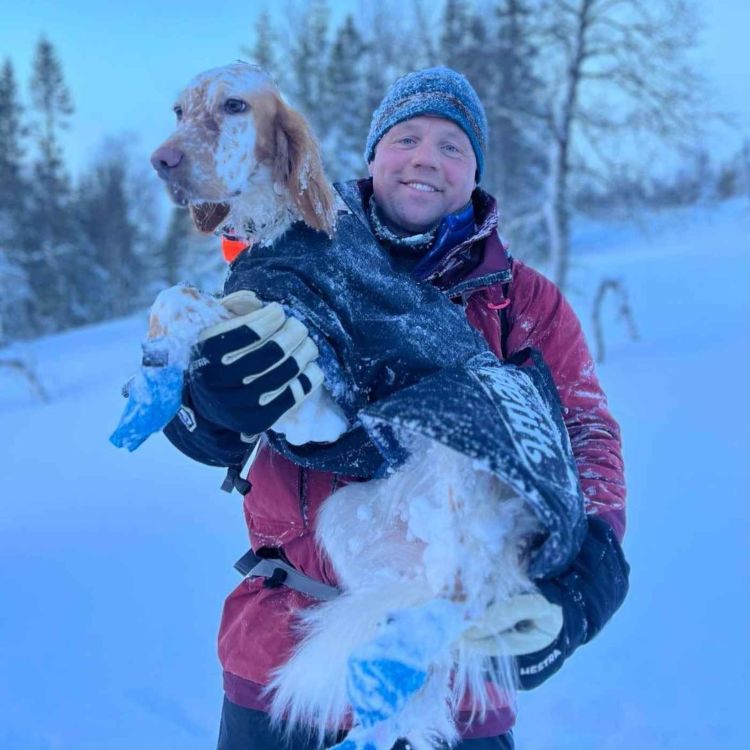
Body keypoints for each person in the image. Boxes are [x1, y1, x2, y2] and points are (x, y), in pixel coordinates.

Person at [164, 67, 629, 750]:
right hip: (280, 659)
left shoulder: (523, 302)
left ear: (474, 173)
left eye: (452, 146)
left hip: (458, 671)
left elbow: (586, 430)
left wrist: (591, 565)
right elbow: (210, 434)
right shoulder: (293, 253)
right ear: (374, 156)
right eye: (406, 137)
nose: (425, 159)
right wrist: (208, 405)